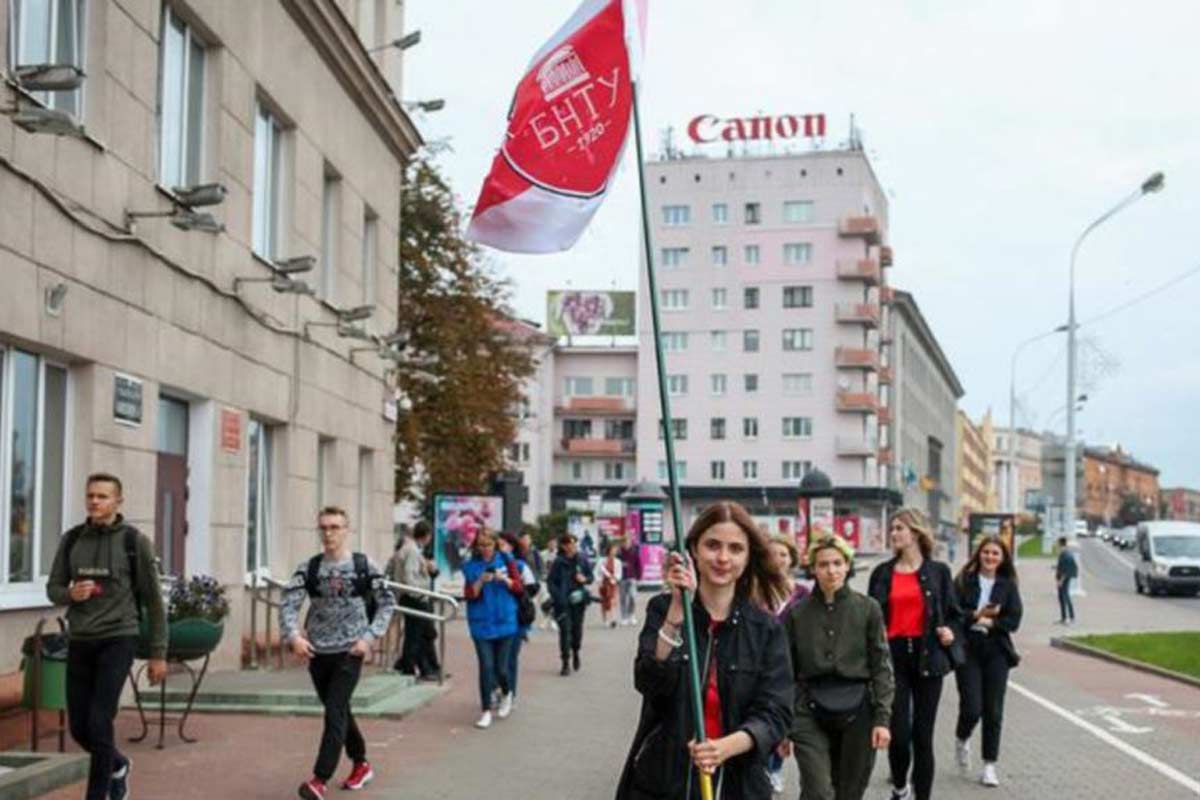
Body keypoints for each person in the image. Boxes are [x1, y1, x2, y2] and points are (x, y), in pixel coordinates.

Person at [616, 501, 793, 799]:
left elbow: (776, 713)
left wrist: (725, 747)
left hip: (736, 783)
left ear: (748, 557)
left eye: (736, 549)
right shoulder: (662, 609)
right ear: (693, 551)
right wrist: (675, 613)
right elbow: (649, 682)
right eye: (713, 545)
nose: (723, 558)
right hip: (663, 780)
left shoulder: (766, 629)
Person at [46, 473, 167, 800]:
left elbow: (154, 600)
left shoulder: (134, 542)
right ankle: (118, 764)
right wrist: (71, 593)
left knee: (100, 722)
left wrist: (158, 653)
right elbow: (53, 588)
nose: (95, 501)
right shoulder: (71, 540)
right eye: (90, 496)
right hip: (81, 639)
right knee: (80, 728)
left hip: (118, 637)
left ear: (118, 501)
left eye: (102, 496)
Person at [281, 506, 396, 800]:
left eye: (335, 527)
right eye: (324, 527)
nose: (329, 533)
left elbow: (387, 602)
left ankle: (319, 780)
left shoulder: (363, 565)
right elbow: (289, 604)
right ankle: (361, 763)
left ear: (347, 530)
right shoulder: (310, 568)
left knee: (334, 711)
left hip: (350, 651)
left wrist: (368, 638)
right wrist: (293, 636)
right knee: (339, 709)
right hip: (318, 653)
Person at [785, 535, 894, 800]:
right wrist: (783, 723)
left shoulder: (868, 609)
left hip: (858, 709)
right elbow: (786, 672)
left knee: (849, 792)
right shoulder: (797, 614)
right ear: (813, 569)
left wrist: (882, 719)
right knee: (818, 789)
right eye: (823, 564)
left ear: (847, 565)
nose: (831, 570)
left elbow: (881, 665)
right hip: (808, 709)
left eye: (837, 563)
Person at [867, 507, 962, 800]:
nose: (893, 533)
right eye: (892, 528)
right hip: (893, 659)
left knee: (923, 736)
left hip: (928, 656)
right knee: (897, 735)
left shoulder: (939, 573)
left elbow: (955, 614)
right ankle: (900, 787)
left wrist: (950, 632)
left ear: (916, 533)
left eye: (899, 528)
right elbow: (870, 617)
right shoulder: (882, 573)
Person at [953, 535, 1023, 787]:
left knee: (993, 710)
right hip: (968, 649)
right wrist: (975, 616)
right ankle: (962, 738)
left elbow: (1014, 620)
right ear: (978, 554)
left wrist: (992, 622)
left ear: (1002, 558)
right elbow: (953, 612)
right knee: (972, 707)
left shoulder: (1008, 585)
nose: (990, 557)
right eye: (986, 552)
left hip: (996, 651)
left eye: (995, 553)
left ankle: (989, 765)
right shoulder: (964, 581)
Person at [462, 531, 524, 729]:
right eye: (481, 545)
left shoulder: (507, 560)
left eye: (488, 545)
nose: (485, 549)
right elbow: (469, 594)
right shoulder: (471, 566)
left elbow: (519, 588)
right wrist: (481, 580)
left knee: (502, 669)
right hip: (481, 624)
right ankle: (486, 710)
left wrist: (503, 579)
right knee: (486, 667)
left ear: (495, 545)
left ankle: (507, 693)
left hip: (505, 622)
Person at [764, 534, 811, 794]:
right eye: (772, 553)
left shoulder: (803, 593)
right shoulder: (755, 589)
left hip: (791, 666)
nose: (778, 559)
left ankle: (775, 768)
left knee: (782, 717)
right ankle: (761, 766)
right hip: (760, 665)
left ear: (791, 559)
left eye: (783, 554)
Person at [388, 522, 441, 680]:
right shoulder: (412, 551)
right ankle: (409, 666)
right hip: (414, 597)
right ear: (427, 536)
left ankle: (408, 664)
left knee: (419, 633)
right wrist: (419, 591)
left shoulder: (410, 549)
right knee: (416, 634)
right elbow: (409, 576)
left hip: (410, 596)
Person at [498, 532, 538, 707]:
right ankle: (497, 689)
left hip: (515, 617)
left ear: (511, 546)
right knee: (494, 659)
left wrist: (515, 587)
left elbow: (531, 589)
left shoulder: (520, 566)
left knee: (510, 657)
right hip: (494, 618)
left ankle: (509, 693)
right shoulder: (488, 565)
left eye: (502, 545)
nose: (498, 548)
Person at [548, 533, 594, 675]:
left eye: (574, 544)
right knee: (565, 632)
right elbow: (551, 582)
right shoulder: (558, 562)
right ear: (563, 546)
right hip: (563, 604)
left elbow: (591, 577)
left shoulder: (582, 560)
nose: (572, 547)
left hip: (578, 602)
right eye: (569, 544)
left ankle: (576, 651)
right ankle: (565, 662)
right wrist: (558, 597)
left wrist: (584, 579)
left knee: (576, 632)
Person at [597, 541, 623, 628]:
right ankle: (605, 620)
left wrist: (615, 578)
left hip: (612, 584)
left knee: (612, 601)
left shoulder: (618, 562)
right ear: (609, 550)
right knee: (604, 602)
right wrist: (599, 581)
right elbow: (598, 572)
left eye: (615, 550)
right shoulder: (602, 561)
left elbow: (619, 573)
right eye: (613, 550)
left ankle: (613, 619)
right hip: (604, 583)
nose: (614, 551)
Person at [618, 536, 642, 626]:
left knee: (632, 596)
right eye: (624, 542)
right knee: (623, 598)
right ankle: (624, 617)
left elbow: (638, 564)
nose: (625, 544)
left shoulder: (634, 552)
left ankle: (631, 615)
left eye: (627, 542)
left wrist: (639, 576)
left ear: (630, 542)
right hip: (622, 578)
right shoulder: (619, 553)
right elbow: (616, 563)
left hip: (632, 577)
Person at [1054, 536, 1078, 624]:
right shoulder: (1063, 553)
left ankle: (1070, 617)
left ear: (1060, 544)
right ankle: (1064, 617)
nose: (1056, 545)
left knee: (1065, 597)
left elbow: (1065, 570)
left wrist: (1060, 580)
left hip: (1063, 579)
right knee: (1062, 597)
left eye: (1057, 543)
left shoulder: (1065, 554)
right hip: (1061, 578)